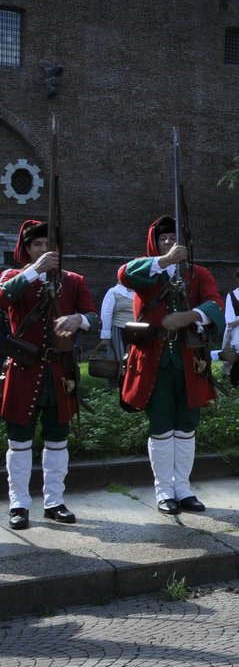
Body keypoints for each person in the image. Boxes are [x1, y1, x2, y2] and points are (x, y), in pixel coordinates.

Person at [120, 215, 224, 515]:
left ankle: (183, 488)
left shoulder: (198, 273)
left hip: (190, 360)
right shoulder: (148, 270)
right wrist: (164, 261)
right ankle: (164, 491)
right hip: (154, 360)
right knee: (162, 428)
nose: (170, 243)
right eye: (163, 239)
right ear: (156, 244)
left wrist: (190, 316)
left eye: (174, 239)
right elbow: (125, 275)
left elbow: (215, 306)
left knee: (187, 427)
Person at [2, 220, 98, 530]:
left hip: (59, 372)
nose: (45, 249)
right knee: (19, 442)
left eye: (48, 245)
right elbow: (3, 297)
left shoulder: (73, 281)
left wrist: (77, 318)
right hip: (24, 371)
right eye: (38, 245)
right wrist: (34, 271)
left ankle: (54, 501)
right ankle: (19, 504)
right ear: (28, 249)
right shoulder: (14, 276)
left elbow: (94, 319)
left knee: (58, 441)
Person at [98, 278, 135, 392]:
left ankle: (133, 387)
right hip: (119, 330)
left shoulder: (138, 292)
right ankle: (118, 387)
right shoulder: (114, 292)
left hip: (136, 331)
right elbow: (106, 313)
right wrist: (105, 335)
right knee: (119, 359)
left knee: (134, 359)